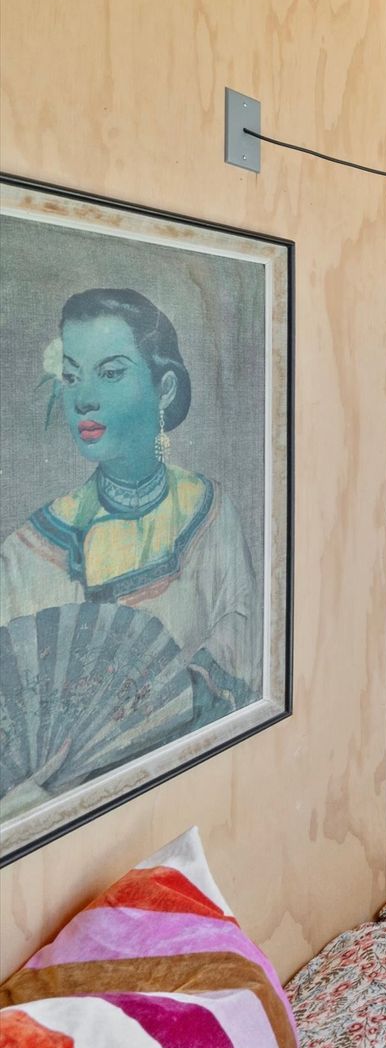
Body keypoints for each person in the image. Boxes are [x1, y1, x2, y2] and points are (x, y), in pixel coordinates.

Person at [0, 289, 259, 739]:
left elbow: (246, 653)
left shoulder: (210, 512)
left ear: (165, 388)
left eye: (111, 373)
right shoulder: (28, 553)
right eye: (71, 376)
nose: (83, 400)